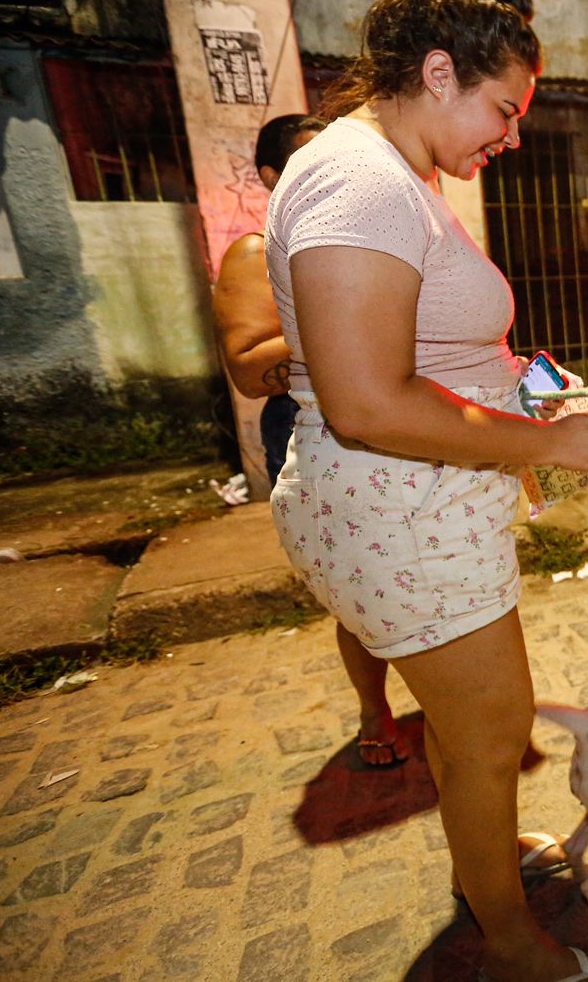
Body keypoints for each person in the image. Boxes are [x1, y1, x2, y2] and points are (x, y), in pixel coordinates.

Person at [264, 0, 588, 982]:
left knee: (476, 732)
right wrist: (541, 443)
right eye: (501, 110)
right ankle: (505, 936)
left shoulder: (394, 173)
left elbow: (424, 356)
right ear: (435, 72)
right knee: (490, 729)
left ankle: (486, 858)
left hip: (423, 509)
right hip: (396, 512)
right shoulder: (356, 177)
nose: (508, 138)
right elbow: (370, 400)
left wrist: (522, 389)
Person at [213, 115, 409, 771]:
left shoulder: (363, 235)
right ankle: (373, 710)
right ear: (271, 178)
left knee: (412, 574)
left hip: (390, 424)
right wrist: (350, 328)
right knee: (357, 588)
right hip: (309, 430)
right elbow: (246, 367)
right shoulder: (253, 252)